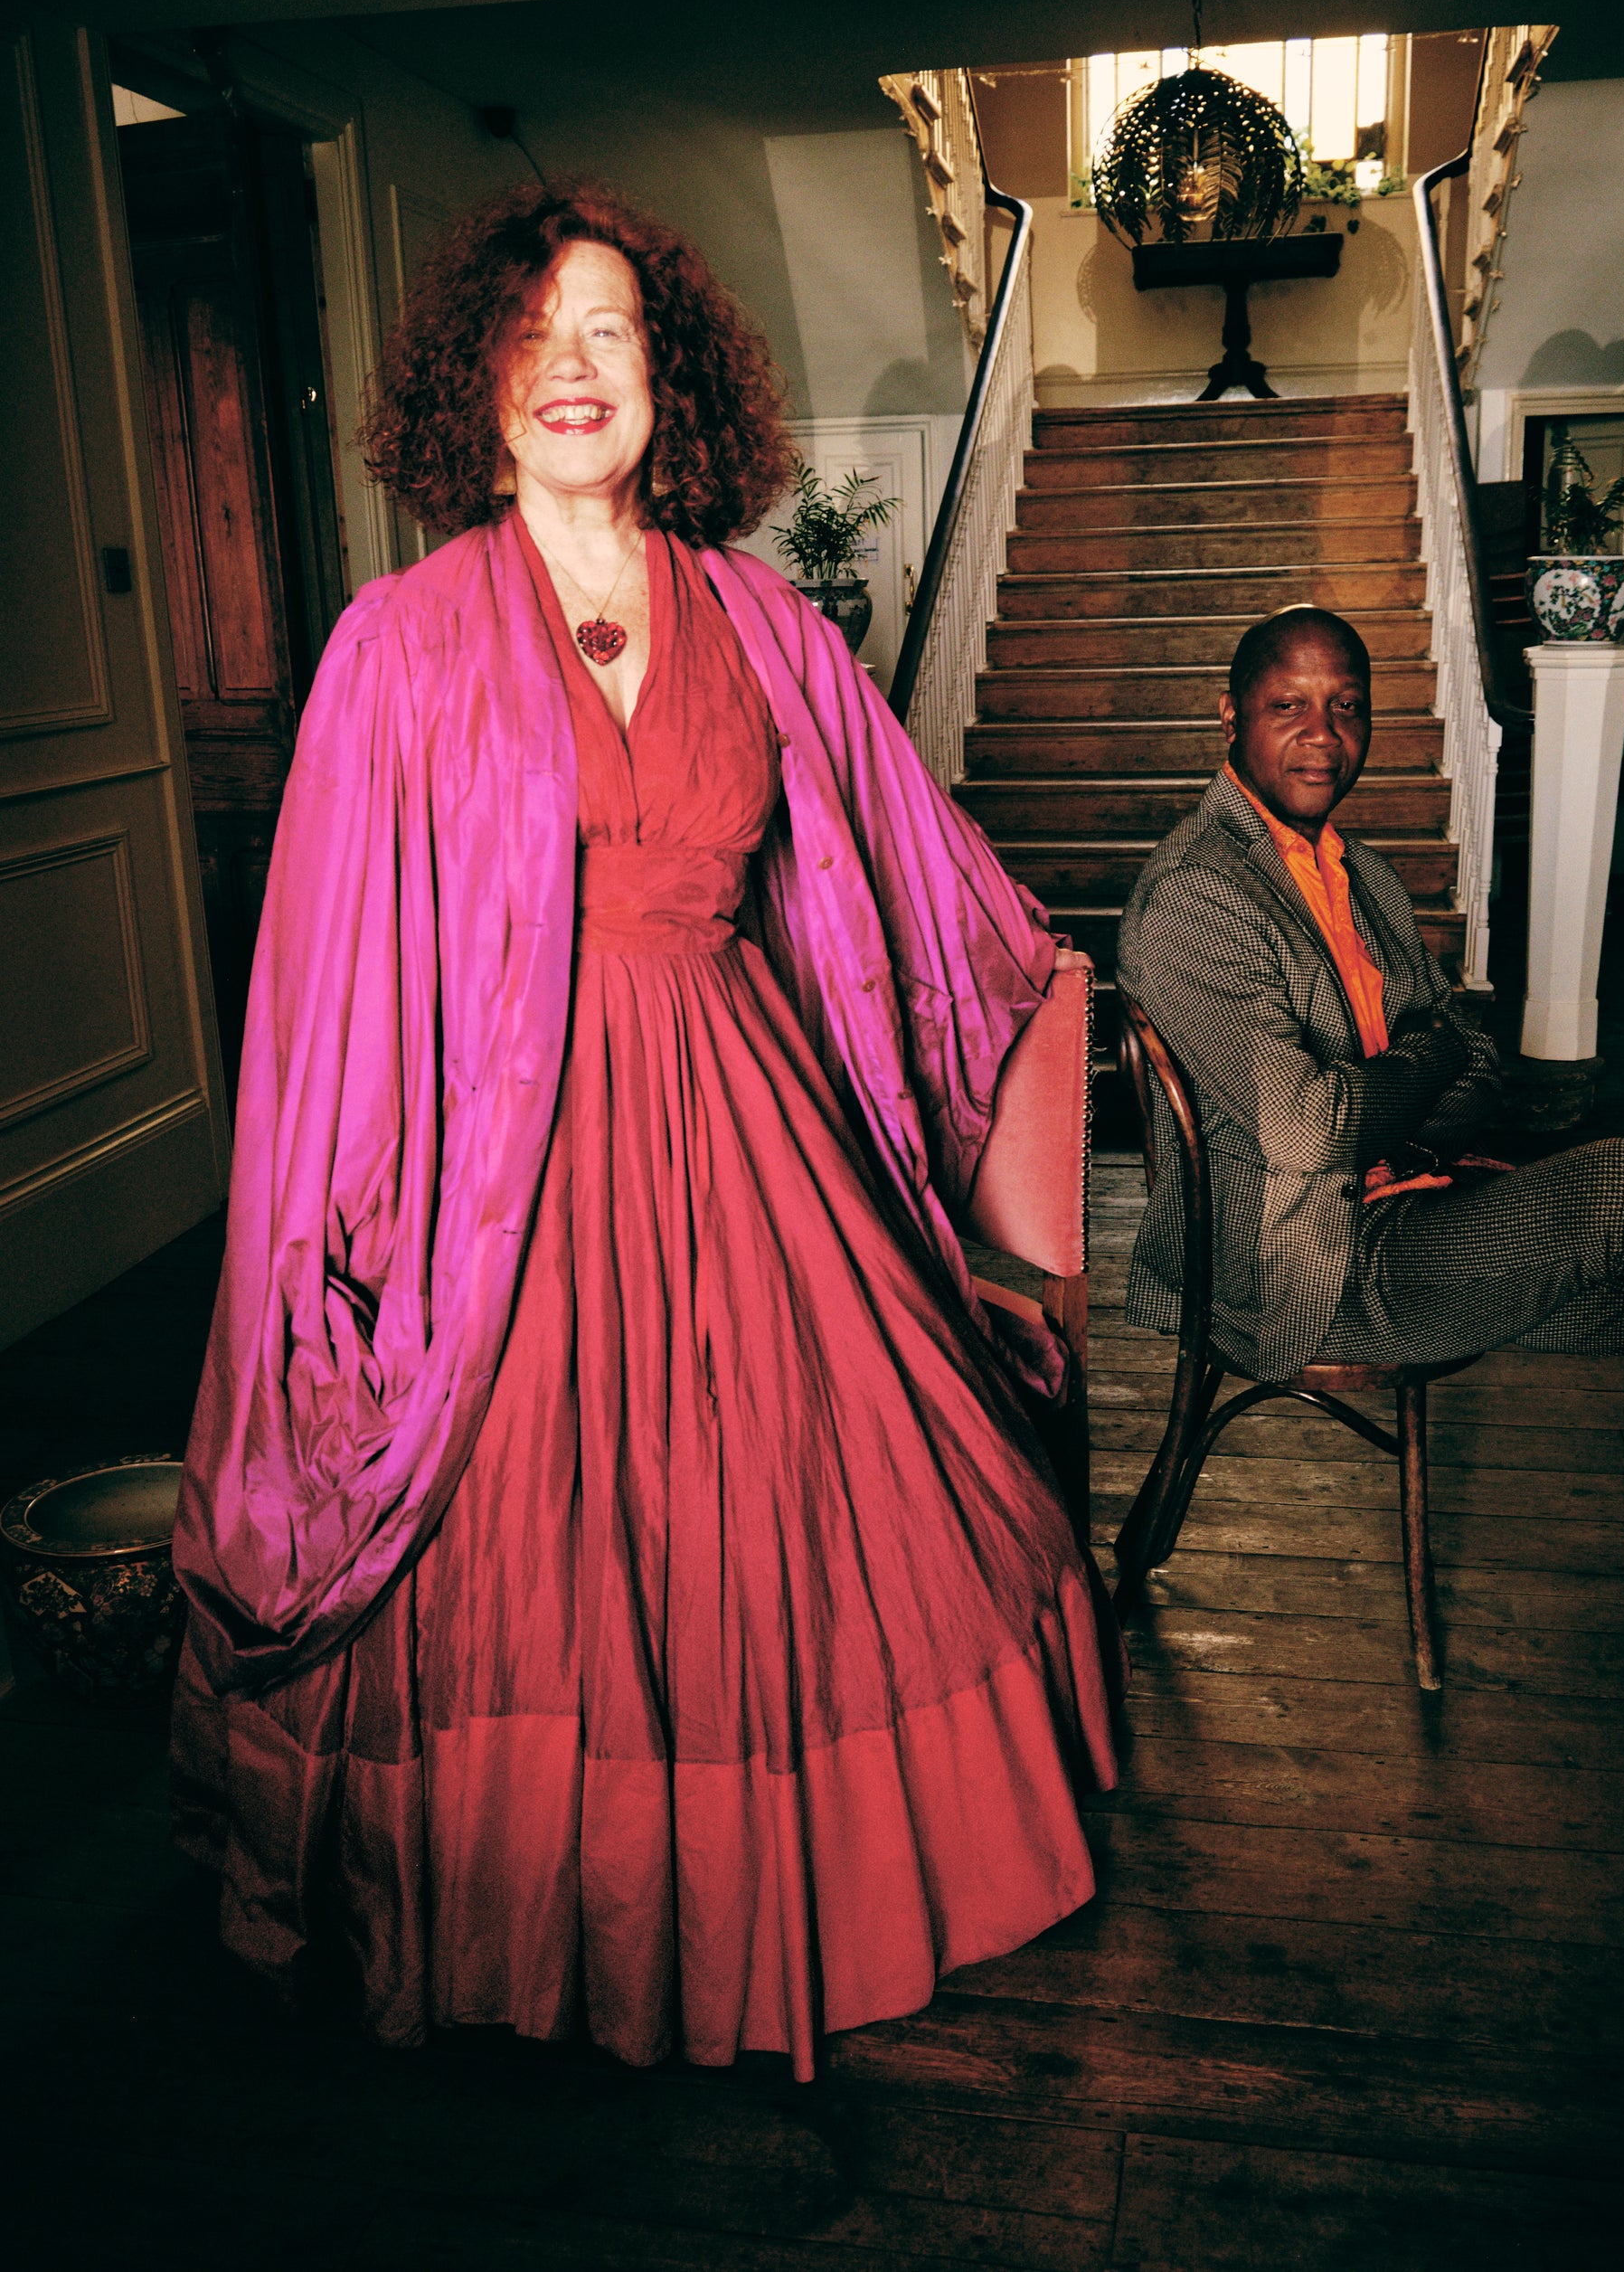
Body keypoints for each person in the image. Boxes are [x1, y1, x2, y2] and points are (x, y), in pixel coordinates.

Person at [171, 181, 1117, 2078]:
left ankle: (796, 1885)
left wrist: (1050, 978)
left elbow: (907, 868)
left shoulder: (762, 623)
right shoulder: (397, 641)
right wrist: (338, 1249)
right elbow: (330, 982)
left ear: (669, 377)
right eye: (533, 333)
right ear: (477, 383)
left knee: (835, 1500)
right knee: (529, 1554)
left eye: (608, 327)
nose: (571, 364)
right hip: (493, 1178)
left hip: (747, 1128)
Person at [1117, 605, 1624, 1474]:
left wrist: (1414, 1109)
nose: (1323, 734)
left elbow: (1479, 1061)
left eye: (1347, 706)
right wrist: (1434, 1054)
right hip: (1305, 1273)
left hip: (1419, 1214)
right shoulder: (1198, 893)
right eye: (1288, 706)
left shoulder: (1364, 873)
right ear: (1231, 717)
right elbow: (1311, 1129)